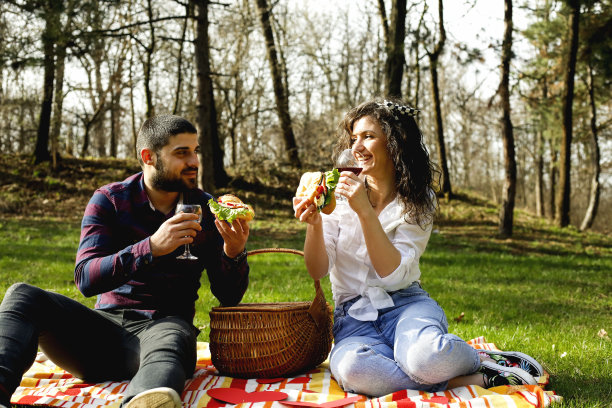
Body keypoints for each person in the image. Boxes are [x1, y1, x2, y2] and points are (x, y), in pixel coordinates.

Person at [293, 99, 544, 397]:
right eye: (353, 138)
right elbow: (317, 270)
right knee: (353, 371)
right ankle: (474, 378)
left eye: (368, 136)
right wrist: (314, 223)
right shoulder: (336, 194)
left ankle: (481, 360)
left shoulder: (417, 200)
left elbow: (393, 275)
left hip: (406, 305)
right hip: (354, 318)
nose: (357, 147)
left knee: (426, 359)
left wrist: (365, 212)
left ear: (396, 142)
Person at [0, 114, 250, 408]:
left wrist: (233, 253)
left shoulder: (206, 209)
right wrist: (152, 247)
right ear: (149, 157)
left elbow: (229, 297)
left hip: (164, 329)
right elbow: (86, 278)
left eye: (195, 151)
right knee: (22, 295)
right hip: (99, 335)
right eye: (182, 153)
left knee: (174, 335)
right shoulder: (111, 201)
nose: (194, 161)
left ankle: (143, 400)